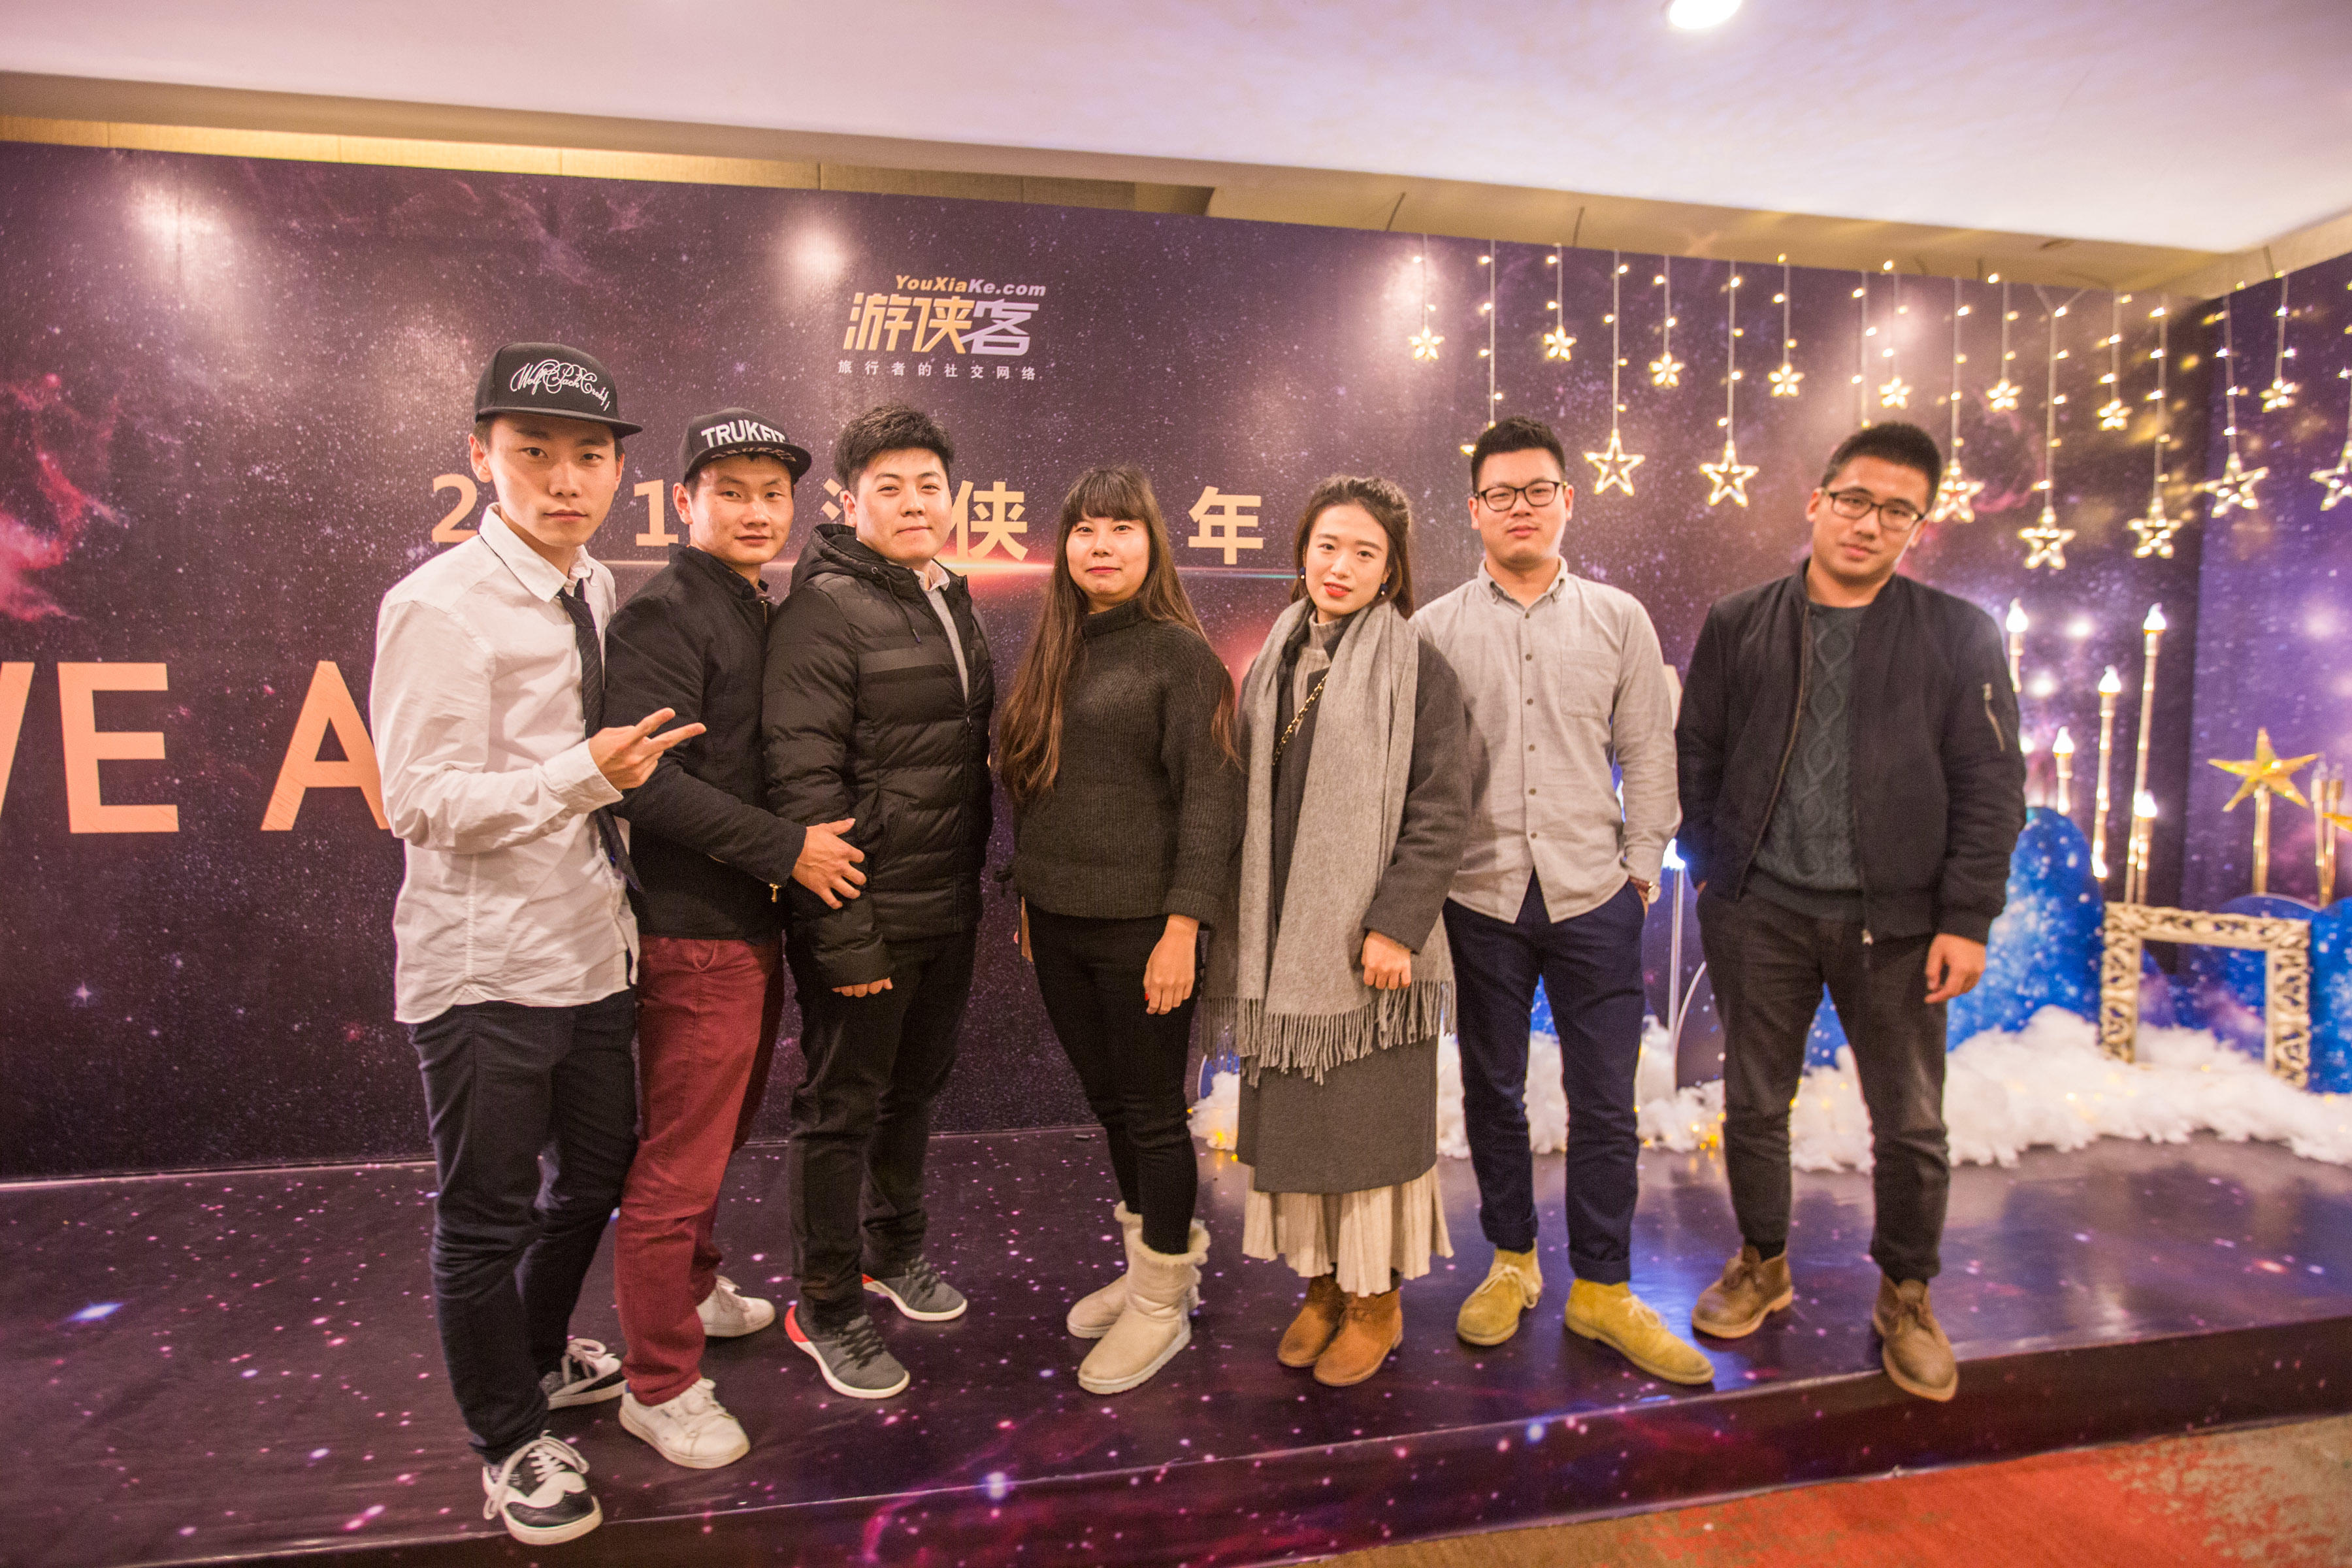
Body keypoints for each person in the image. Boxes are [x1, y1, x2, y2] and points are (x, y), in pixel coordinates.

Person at [372, 343, 702, 1544]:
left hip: (591, 951)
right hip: (485, 968)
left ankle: (535, 1358)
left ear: (618, 469)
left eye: (590, 456)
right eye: (534, 453)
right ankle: (508, 1441)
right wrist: (583, 775)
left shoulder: (596, 586)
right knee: (485, 1218)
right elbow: (417, 802)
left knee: (597, 1178)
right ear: (481, 457)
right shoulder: (439, 605)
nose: (565, 479)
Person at [1676, 421, 2026, 1403]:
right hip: (1760, 913)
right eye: (1856, 500)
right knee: (1754, 1106)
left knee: (1910, 1123)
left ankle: (1907, 1294)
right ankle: (1762, 1263)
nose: (1870, 523)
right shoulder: (1740, 621)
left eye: (1897, 511)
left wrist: (1967, 917)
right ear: (1818, 502)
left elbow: (1993, 785)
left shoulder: (1959, 634)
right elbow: (1696, 750)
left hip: (1901, 929)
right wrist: (1712, 872)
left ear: (1919, 526)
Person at [1418, 416, 1711, 1385]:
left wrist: (1640, 869)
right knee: (1491, 1092)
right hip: (1479, 896)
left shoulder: (1619, 618)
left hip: (1596, 895)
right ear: (1474, 510)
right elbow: (1419, 774)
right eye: (1500, 494)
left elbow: (1650, 751)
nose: (1521, 508)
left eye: (1538, 490)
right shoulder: (1434, 630)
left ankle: (1603, 1287)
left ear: (1567, 500)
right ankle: (1512, 1261)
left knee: (1606, 1103)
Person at [602, 407, 868, 1467]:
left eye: (773, 494)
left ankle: (695, 1294)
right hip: (694, 934)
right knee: (678, 1164)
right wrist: (788, 848)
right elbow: (644, 785)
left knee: (715, 1140)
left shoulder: (754, 604)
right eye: (732, 493)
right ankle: (659, 1383)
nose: (758, 513)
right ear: (683, 502)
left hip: (747, 927)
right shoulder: (663, 615)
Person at [1207, 475, 1471, 1388]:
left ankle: (1375, 1301)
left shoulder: (1419, 667)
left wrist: (1395, 926)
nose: (1341, 566)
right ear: (1303, 552)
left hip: (1371, 954)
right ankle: (1321, 1287)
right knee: (1300, 1134)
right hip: (1281, 946)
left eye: (1365, 552)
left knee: (1367, 1138)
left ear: (1391, 570)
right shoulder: (1274, 659)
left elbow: (1442, 812)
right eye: (1328, 546)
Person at [763, 404, 994, 1399]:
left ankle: (895, 1251)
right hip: (864, 912)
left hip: (946, 904)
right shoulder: (823, 608)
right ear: (848, 501)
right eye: (888, 487)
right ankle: (825, 1305)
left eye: (928, 486)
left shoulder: (945, 591)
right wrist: (845, 939)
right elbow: (804, 782)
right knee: (840, 1110)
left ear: (952, 496)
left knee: (914, 1094)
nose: (912, 503)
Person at [1000, 465, 1243, 1395]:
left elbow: (1211, 806)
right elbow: (1036, 789)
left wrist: (1184, 930)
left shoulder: (1181, 657)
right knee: (1110, 1108)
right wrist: (1030, 898)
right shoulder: (1057, 648)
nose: (1101, 546)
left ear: (1152, 543)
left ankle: (1163, 1305)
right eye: (1084, 529)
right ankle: (1150, 1271)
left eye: (1121, 528)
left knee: (1150, 1115)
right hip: (1058, 925)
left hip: (1146, 931)